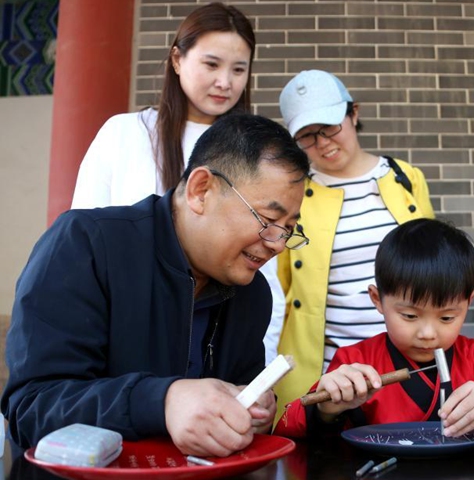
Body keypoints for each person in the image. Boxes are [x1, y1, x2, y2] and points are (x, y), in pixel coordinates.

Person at [1, 114, 310, 455]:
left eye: (288, 229)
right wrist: (162, 401)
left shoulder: (252, 292)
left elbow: (241, 394)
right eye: (268, 220)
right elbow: (31, 409)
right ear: (201, 190)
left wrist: (251, 412)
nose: (277, 244)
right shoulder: (86, 245)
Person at [70, 2, 287, 363]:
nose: (225, 82)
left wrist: (260, 365)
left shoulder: (257, 155)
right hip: (125, 331)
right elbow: (81, 247)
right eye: (211, 64)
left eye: (238, 69)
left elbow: (267, 273)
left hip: (216, 336)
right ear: (176, 59)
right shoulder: (123, 134)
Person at [274, 219, 474, 437]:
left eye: (447, 318)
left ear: (469, 302)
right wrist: (327, 409)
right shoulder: (354, 362)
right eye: (410, 316)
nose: (428, 333)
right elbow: (288, 429)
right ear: (377, 299)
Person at [272, 70, 435, 415]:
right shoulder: (294, 194)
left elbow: (433, 267)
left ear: (354, 113)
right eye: (307, 136)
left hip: (405, 369)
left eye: (330, 127)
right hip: (328, 378)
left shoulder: (405, 178)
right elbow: (280, 290)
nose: (323, 143)